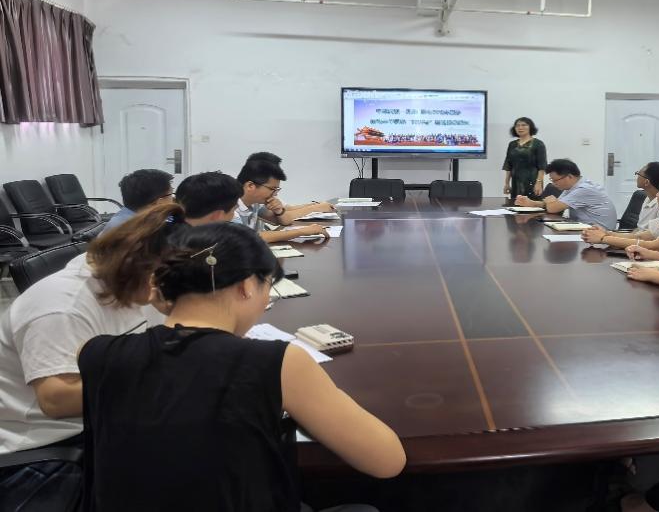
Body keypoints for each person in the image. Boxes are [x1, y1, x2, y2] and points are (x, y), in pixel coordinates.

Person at [77, 222, 406, 511]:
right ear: (248, 285)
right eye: (268, 286)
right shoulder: (277, 363)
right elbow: (387, 461)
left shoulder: (97, 354)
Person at [0, 206, 185, 510]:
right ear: (137, 266)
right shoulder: (60, 307)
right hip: (45, 444)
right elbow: (56, 401)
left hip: (104, 420)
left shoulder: (132, 284)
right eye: (165, 281)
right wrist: (157, 380)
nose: (166, 292)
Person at [582, 173, 659, 254]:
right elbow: (643, 237)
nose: (657, 195)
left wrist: (604, 239)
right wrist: (607, 233)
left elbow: (653, 246)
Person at [234, 159, 329, 243]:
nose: (275, 194)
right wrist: (302, 231)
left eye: (277, 190)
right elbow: (253, 237)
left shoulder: (255, 203)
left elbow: (285, 221)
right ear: (250, 186)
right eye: (272, 189)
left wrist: (279, 211)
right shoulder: (230, 205)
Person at [514, 159, 618, 229]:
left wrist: (551, 203)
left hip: (599, 233)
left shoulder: (584, 189)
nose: (553, 184)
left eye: (555, 180)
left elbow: (553, 208)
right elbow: (556, 205)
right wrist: (531, 203)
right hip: (585, 228)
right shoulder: (573, 186)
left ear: (569, 177)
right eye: (552, 180)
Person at [101, 169, 174, 233]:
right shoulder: (132, 231)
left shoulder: (131, 217)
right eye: (171, 194)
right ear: (159, 202)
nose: (173, 199)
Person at [502, 117, 547, 200]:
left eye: (524, 125)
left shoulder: (538, 144)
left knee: (532, 204)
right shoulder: (512, 144)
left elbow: (542, 166)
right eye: (517, 125)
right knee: (516, 203)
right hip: (516, 181)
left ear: (530, 127)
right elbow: (508, 165)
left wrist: (539, 183)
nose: (520, 127)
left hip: (532, 180)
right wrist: (507, 183)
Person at [175, 171, 243, 225]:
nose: (234, 216)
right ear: (217, 216)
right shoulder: (228, 236)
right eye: (233, 210)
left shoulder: (173, 232)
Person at [633, 162, 659, 230]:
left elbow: (653, 234)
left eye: (638, 174)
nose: (637, 176)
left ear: (646, 182)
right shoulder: (648, 198)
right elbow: (640, 228)